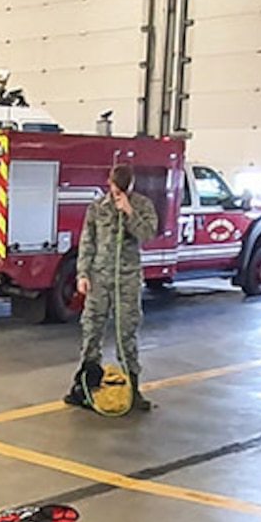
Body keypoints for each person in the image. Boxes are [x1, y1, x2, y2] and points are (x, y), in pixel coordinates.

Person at [64, 163, 159, 413]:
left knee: (126, 331)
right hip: (99, 278)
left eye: (123, 189)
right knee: (91, 329)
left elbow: (148, 233)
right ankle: (85, 384)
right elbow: (87, 242)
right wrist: (82, 274)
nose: (118, 193)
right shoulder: (97, 208)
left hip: (126, 279)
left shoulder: (142, 205)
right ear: (109, 183)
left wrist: (129, 212)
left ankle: (133, 388)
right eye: (116, 188)